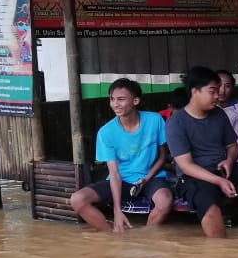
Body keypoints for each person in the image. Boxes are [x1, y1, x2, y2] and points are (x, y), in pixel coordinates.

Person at [165, 65, 238, 237]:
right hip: (193, 177)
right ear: (195, 92)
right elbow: (186, 166)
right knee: (211, 209)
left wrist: (229, 161)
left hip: (222, 169)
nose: (218, 95)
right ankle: (221, 254)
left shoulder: (219, 114)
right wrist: (218, 181)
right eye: (212, 91)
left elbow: (232, 147)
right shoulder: (176, 123)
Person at [70, 78, 173, 233]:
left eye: (121, 99)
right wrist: (117, 211)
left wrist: (146, 179)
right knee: (77, 200)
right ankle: (114, 234)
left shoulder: (155, 120)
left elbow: (163, 156)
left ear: (136, 100)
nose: (115, 104)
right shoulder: (106, 133)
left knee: (165, 202)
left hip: (151, 177)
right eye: (112, 99)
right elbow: (114, 174)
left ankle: (145, 238)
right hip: (121, 180)